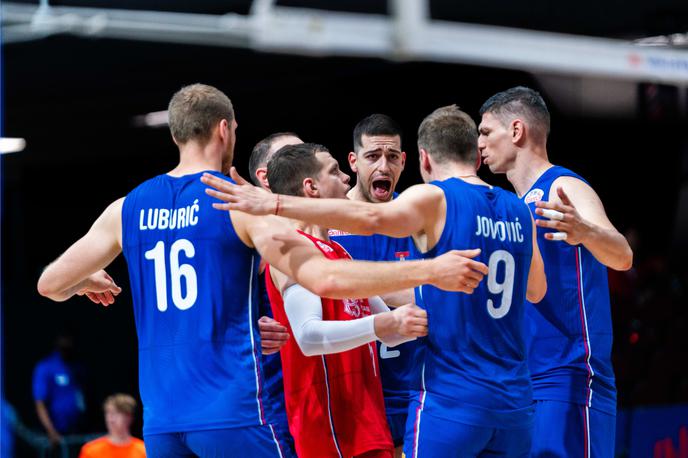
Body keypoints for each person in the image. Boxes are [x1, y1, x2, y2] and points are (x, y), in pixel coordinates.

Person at [37, 83, 489, 457]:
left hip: (162, 424)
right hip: (233, 414)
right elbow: (324, 279)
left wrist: (83, 281)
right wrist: (428, 271)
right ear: (224, 130)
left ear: (175, 135)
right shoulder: (238, 207)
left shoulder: (126, 209)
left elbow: (49, 285)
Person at [202, 105, 547, 457]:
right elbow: (536, 290)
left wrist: (273, 204)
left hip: (446, 396)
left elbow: (369, 224)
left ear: (422, 160)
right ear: (475, 158)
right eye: (338, 170)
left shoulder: (428, 201)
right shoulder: (519, 208)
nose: (348, 179)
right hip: (511, 400)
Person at [478, 86, 633, 457]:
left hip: (569, 374)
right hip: (524, 379)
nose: (478, 143)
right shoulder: (512, 207)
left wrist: (586, 231)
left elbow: (623, 255)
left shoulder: (563, 185)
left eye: (485, 132)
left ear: (516, 131)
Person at [265, 142, 429, 458]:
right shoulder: (292, 249)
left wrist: (448, 298)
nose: (346, 179)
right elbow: (309, 337)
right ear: (311, 188)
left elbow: (393, 334)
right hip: (329, 429)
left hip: (368, 423)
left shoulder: (341, 253)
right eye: (334, 172)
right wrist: (381, 324)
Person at [328, 114, 417, 456]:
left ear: (404, 160)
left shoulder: (416, 218)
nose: (384, 165)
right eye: (372, 157)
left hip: (412, 387)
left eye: (392, 157)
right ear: (353, 161)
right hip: (353, 393)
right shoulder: (330, 218)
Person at [248, 131, 304, 456]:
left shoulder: (319, 223)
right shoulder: (248, 231)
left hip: (324, 389)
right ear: (265, 178)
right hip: (274, 396)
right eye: (293, 155)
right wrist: (250, 327)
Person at [32, 331, 86, 447]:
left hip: (78, 433)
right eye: (64, 338)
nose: (68, 342)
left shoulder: (77, 366)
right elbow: (39, 403)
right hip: (55, 435)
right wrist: (51, 431)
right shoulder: (46, 367)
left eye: (70, 339)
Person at [79, 394, 146, 458]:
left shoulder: (144, 450)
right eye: (108, 413)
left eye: (115, 413)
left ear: (128, 417)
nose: (110, 419)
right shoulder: (90, 450)